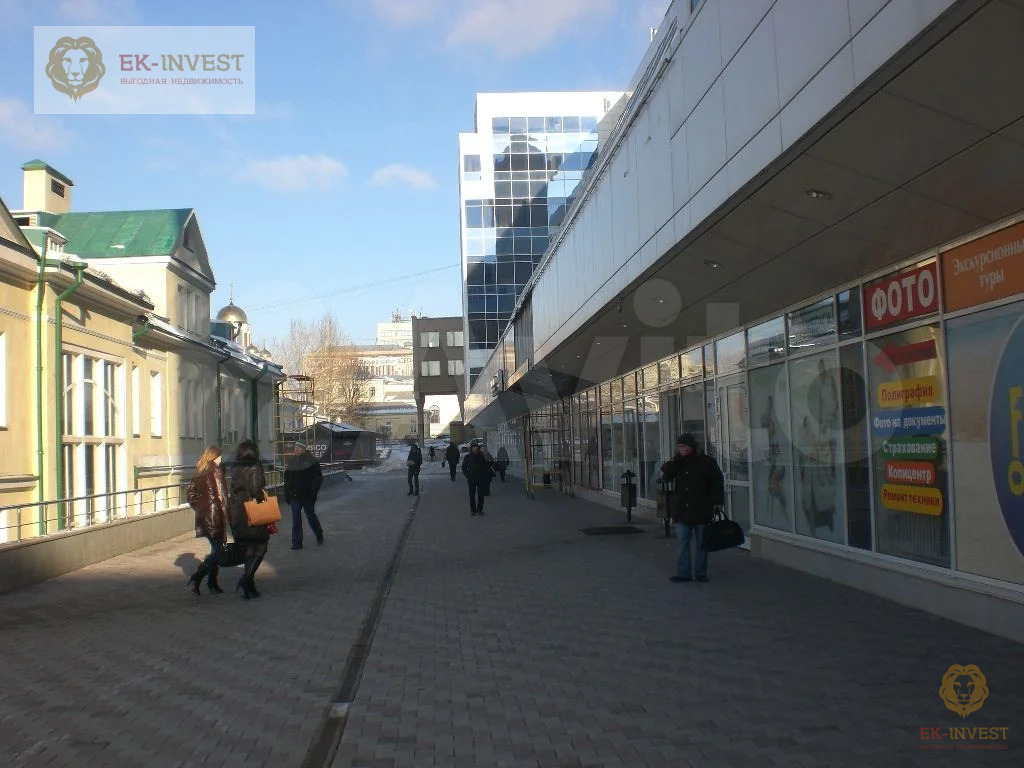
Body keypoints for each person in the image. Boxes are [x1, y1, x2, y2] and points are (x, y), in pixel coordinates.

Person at [660, 433, 725, 583]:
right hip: (682, 510)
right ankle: (684, 573)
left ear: (692, 447)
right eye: (680, 447)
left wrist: (717, 502)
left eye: (684, 447)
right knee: (683, 542)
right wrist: (677, 458)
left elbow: (717, 482)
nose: (682, 449)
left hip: (702, 508)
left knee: (702, 543)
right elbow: (667, 473)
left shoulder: (707, 462)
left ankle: (701, 573)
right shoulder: (678, 462)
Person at [228, 440, 271, 599]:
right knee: (261, 547)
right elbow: (255, 490)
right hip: (253, 512)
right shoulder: (255, 467)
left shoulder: (234, 468)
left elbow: (234, 490)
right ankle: (246, 579)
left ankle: (249, 586)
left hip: (238, 513)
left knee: (249, 549)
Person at [186, 445, 229, 595]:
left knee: (215, 550)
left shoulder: (200, 469)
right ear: (215, 456)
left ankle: (212, 582)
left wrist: (201, 507)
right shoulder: (215, 471)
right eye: (220, 456)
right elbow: (222, 497)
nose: (221, 459)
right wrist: (226, 517)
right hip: (215, 516)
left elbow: (190, 495)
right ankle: (198, 577)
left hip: (204, 517)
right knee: (217, 552)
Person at [284, 441, 324, 551]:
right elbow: (287, 479)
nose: (296, 449)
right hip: (295, 496)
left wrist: (313, 491)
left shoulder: (311, 461)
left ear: (303, 449)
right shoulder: (292, 462)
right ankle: (297, 542)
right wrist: (288, 494)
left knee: (310, 515)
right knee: (296, 518)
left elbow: (318, 478)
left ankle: (318, 532)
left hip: (307, 496)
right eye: (295, 447)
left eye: (298, 447)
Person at [462, 442, 491, 516]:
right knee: (472, 496)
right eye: (473, 447)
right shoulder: (467, 457)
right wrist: (468, 475)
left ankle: (480, 509)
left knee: (481, 495)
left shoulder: (482, 456)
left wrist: (484, 475)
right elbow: (464, 468)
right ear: (471, 448)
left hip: (480, 479)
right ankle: (473, 510)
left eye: (476, 447)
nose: (475, 448)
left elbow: (486, 467)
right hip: (471, 479)